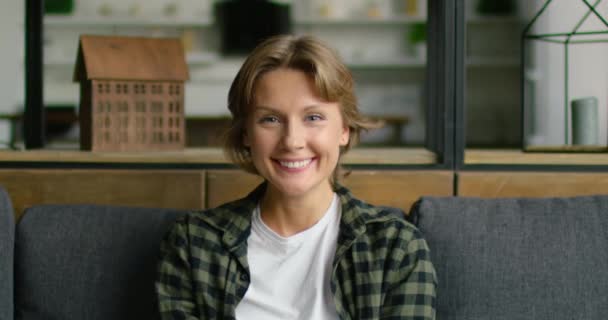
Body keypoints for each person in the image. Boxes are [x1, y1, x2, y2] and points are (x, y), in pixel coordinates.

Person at [156, 34, 437, 319]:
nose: (292, 141)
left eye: (313, 117)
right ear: (246, 134)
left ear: (344, 130)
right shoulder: (194, 244)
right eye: (271, 119)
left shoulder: (396, 247)